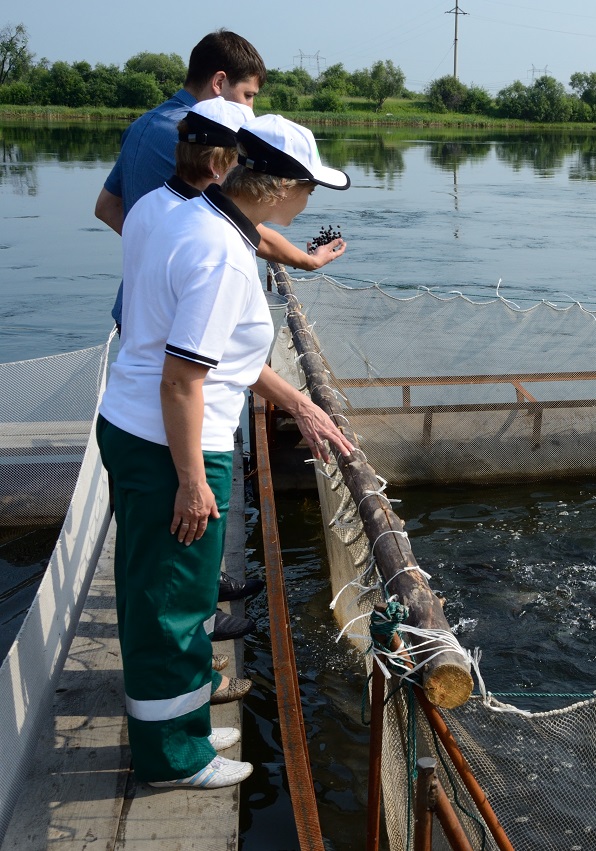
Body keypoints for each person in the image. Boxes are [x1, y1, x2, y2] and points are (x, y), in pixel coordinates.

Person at [96, 113, 355, 790]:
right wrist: (190, 479)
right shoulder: (222, 254)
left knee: (159, 593)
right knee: (174, 605)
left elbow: (201, 352)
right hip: (170, 443)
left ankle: (176, 731)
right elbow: (184, 377)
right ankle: (173, 759)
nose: (307, 206)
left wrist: (295, 401)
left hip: (136, 426)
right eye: (307, 191)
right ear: (274, 189)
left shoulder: (187, 216)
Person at [120, 95, 263, 647]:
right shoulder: (204, 233)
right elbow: (182, 372)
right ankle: (179, 712)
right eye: (247, 159)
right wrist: (192, 479)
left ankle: (198, 615)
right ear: (223, 165)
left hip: (141, 406)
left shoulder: (153, 208)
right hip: (170, 424)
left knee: (157, 571)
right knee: (172, 583)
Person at [95, 30, 347, 329]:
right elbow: (232, 219)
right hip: (185, 315)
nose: (250, 109)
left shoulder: (142, 125)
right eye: (248, 95)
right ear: (218, 82)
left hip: (136, 307)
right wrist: (308, 261)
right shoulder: (200, 139)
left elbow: (107, 207)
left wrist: (160, 255)